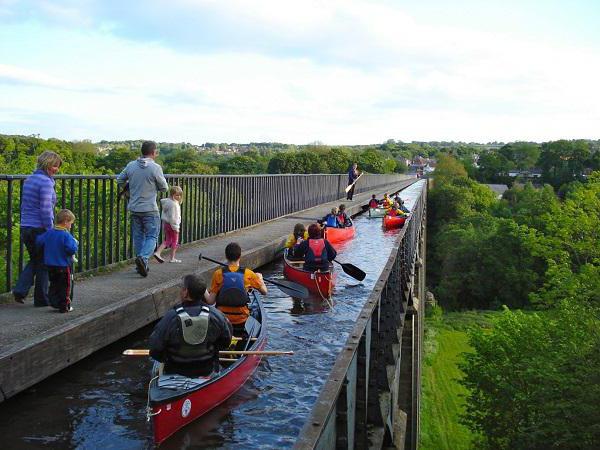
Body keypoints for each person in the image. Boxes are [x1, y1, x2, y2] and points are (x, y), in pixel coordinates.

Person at [149, 275, 232, 377]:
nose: (180, 291)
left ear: (186, 292)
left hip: (176, 371)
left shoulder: (170, 317)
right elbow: (226, 341)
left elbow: (154, 348)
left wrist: (166, 358)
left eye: (181, 288)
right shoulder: (217, 315)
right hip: (207, 370)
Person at [13, 151, 62, 306]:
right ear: (47, 164)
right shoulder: (46, 182)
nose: (56, 169)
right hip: (39, 228)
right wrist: (50, 230)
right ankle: (41, 299)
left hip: (25, 227)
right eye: (54, 166)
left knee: (37, 259)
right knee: (43, 262)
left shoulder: (30, 179)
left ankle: (21, 290)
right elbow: (46, 209)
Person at [117, 141, 168, 277]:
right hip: (150, 208)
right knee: (152, 235)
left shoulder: (131, 165)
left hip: (134, 207)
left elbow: (119, 180)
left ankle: (141, 264)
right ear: (153, 152)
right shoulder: (155, 168)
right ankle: (143, 258)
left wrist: (129, 190)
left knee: (138, 236)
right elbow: (164, 187)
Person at [206, 243, 268, 334]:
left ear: (226, 256)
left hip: (222, 319)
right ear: (240, 256)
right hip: (242, 320)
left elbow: (210, 301)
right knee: (255, 313)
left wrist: (203, 288)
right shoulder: (249, 274)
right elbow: (264, 292)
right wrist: (260, 278)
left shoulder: (218, 274)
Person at [35, 209, 78, 313]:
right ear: (65, 222)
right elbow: (71, 249)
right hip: (63, 265)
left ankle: (54, 302)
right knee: (65, 287)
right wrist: (75, 243)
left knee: (54, 284)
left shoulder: (49, 232)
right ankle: (64, 306)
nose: (70, 226)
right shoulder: (66, 235)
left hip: (50, 265)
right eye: (70, 223)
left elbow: (39, 241)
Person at [154, 186, 183, 263]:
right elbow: (174, 218)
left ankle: (158, 252)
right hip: (173, 225)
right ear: (172, 195)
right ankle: (172, 258)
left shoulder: (167, 202)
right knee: (175, 241)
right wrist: (176, 228)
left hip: (166, 224)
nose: (179, 197)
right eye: (177, 195)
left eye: (180, 195)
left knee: (167, 240)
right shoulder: (174, 205)